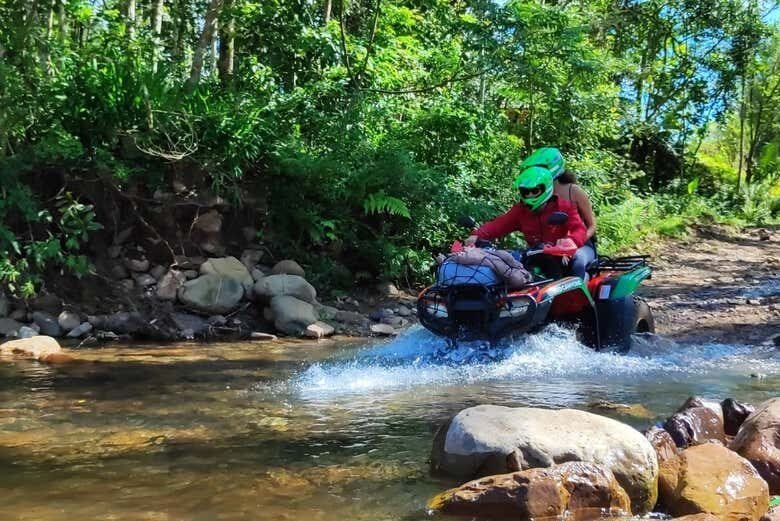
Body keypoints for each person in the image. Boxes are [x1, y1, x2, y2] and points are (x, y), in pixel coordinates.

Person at [465, 165, 589, 278]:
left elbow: (579, 228)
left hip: (564, 255)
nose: (530, 195)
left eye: (535, 191)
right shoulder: (520, 211)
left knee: (578, 264)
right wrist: (476, 235)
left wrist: (570, 240)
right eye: (526, 192)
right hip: (535, 255)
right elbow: (497, 225)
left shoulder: (564, 207)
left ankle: (581, 303)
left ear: (546, 188)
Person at [520, 147, 597, 279]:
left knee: (577, 262)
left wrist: (571, 245)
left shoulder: (573, 191)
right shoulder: (533, 192)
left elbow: (591, 226)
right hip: (547, 247)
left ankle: (580, 298)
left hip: (580, 244)